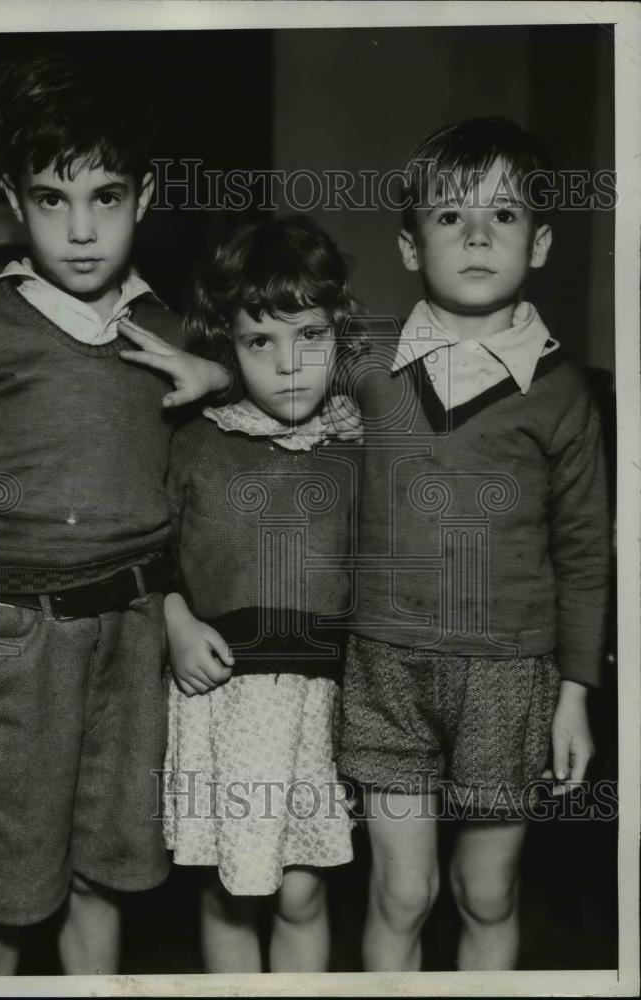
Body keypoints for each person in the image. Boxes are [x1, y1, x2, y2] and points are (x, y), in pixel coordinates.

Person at [0, 51, 229, 976]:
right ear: (12, 198)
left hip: (129, 634)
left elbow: (274, 416)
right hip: (5, 636)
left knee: (103, 873)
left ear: (146, 197)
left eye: (106, 199)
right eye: (51, 199)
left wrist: (222, 374)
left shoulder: (173, 329)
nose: (80, 231)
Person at [338, 117, 611, 971]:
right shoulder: (363, 363)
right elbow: (271, 377)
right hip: (385, 660)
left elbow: (584, 548)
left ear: (543, 239)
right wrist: (210, 375)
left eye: (506, 214)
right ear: (411, 247)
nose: (480, 235)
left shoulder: (562, 392)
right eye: (451, 217)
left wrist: (576, 690)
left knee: (484, 892)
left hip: (511, 674)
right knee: (401, 893)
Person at [159, 216, 366, 972]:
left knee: (304, 893)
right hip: (224, 701)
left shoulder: (357, 447)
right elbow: (149, 553)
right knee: (229, 893)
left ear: (339, 333)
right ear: (228, 345)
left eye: (310, 336)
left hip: (321, 705)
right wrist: (173, 619)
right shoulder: (195, 441)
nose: (288, 365)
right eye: (259, 343)